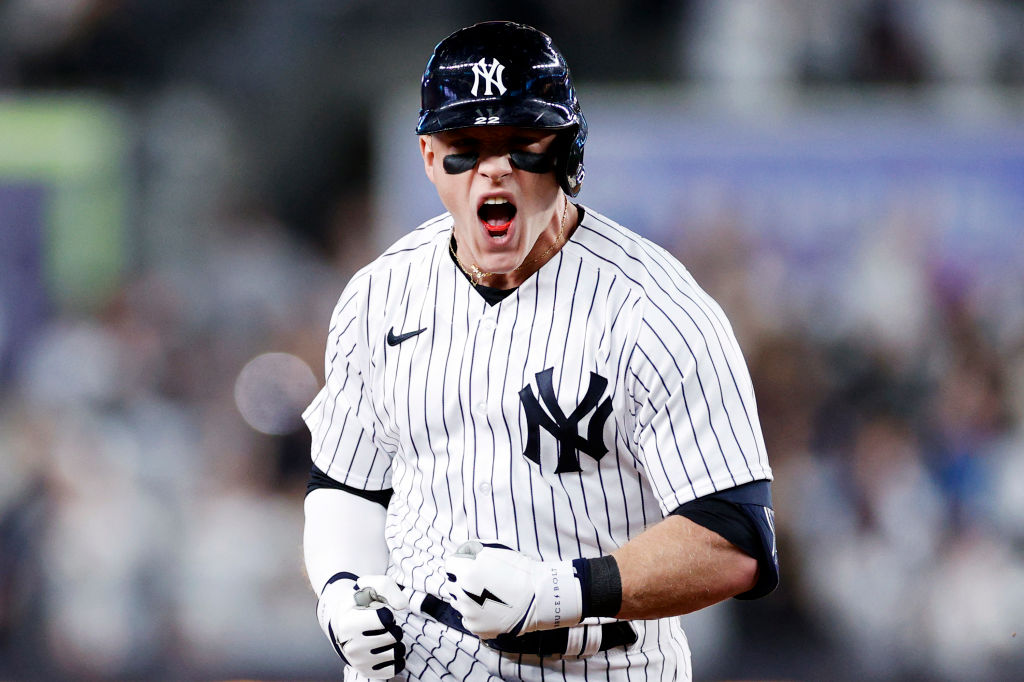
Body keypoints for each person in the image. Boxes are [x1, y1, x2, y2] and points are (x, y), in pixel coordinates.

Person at [302, 21, 778, 681]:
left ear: (568, 157)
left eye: (522, 143)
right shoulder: (380, 293)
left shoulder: (655, 310)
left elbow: (734, 539)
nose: (492, 169)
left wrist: (560, 591)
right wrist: (340, 588)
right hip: (418, 661)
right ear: (428, 157)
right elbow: (345, 483)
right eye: (464, 145)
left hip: (595, 666)